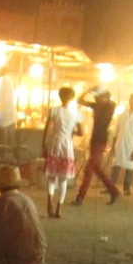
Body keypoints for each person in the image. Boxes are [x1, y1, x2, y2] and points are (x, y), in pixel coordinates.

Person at [71, 86, 120, 205]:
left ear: (105, 96)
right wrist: (88, 91)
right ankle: (114, 191)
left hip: (100, 141)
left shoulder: (109, 106)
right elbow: (80, 101)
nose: (97, 99)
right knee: (97, 169)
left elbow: (83, 101)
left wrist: (93, 92)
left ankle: (80, 197)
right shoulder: (99, 105)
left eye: (99, 97)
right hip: (95, 140)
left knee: (89, 169)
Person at [41, 86, 81, 219]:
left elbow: (46, 129)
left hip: (55, 143)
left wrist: (43, 146)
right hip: (67, 145)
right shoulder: (76, 114)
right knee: (63, 179)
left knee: (52, 177)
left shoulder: (53, 111)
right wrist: (71, 131)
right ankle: (59, 208)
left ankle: (49, 204)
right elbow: (81, 132)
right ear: (71, 98)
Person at [109, 93, 133, 196]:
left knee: (129, 168)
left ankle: (126, 188)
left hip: (131, 145)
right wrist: (112, 146)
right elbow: (116, 131)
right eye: (131, 99)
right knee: (115, 166)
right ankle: (111, 186)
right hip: (120, 143)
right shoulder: (123, 114)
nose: (132, 101)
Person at [0, 72, 17, 148]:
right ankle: (8, 154)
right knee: (8, 135)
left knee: (7, 136)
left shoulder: (6, 81)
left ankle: (7, 155)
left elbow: (7, 98)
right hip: (7, 113)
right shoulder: (5, 81)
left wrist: (1, 105)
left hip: (7, 113)